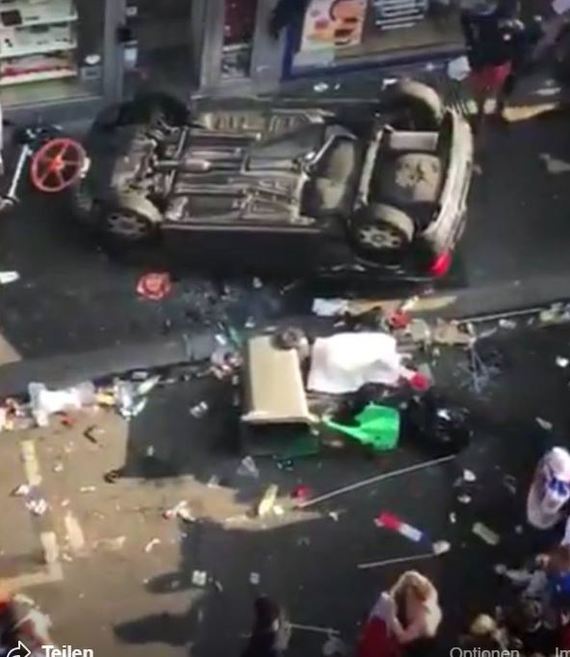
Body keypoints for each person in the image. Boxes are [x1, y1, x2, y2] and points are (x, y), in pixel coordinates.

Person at [460, 0, 524, 130]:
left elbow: (514, 20)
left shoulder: (508, 7)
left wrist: (513, 25)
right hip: (480, 51)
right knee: (480, 86)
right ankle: (480, 113)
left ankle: (498, 111)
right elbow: (466, 26)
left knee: (504, 83)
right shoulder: (469, 11)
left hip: (502, 51)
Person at [356, 571, 442, 657]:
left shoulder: (423, 614)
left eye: (411, 598)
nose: (409, 603)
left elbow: (403, 638)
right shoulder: (402, 608)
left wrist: (392, 617)